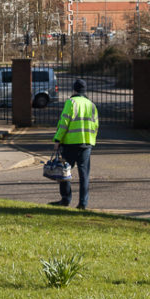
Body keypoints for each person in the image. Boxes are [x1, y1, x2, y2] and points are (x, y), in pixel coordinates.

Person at [50, 79, 99, 209]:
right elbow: (96, 125)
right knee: (84, 175)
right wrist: (91, 139)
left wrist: (57, 140)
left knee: (64, 172)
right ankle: (83, 204)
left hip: (70, 144)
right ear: (85, 90)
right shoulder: (91, 105)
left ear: (74, 90)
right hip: (86, 144)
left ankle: (66, 199)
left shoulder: (71, 102)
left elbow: (64, 123)